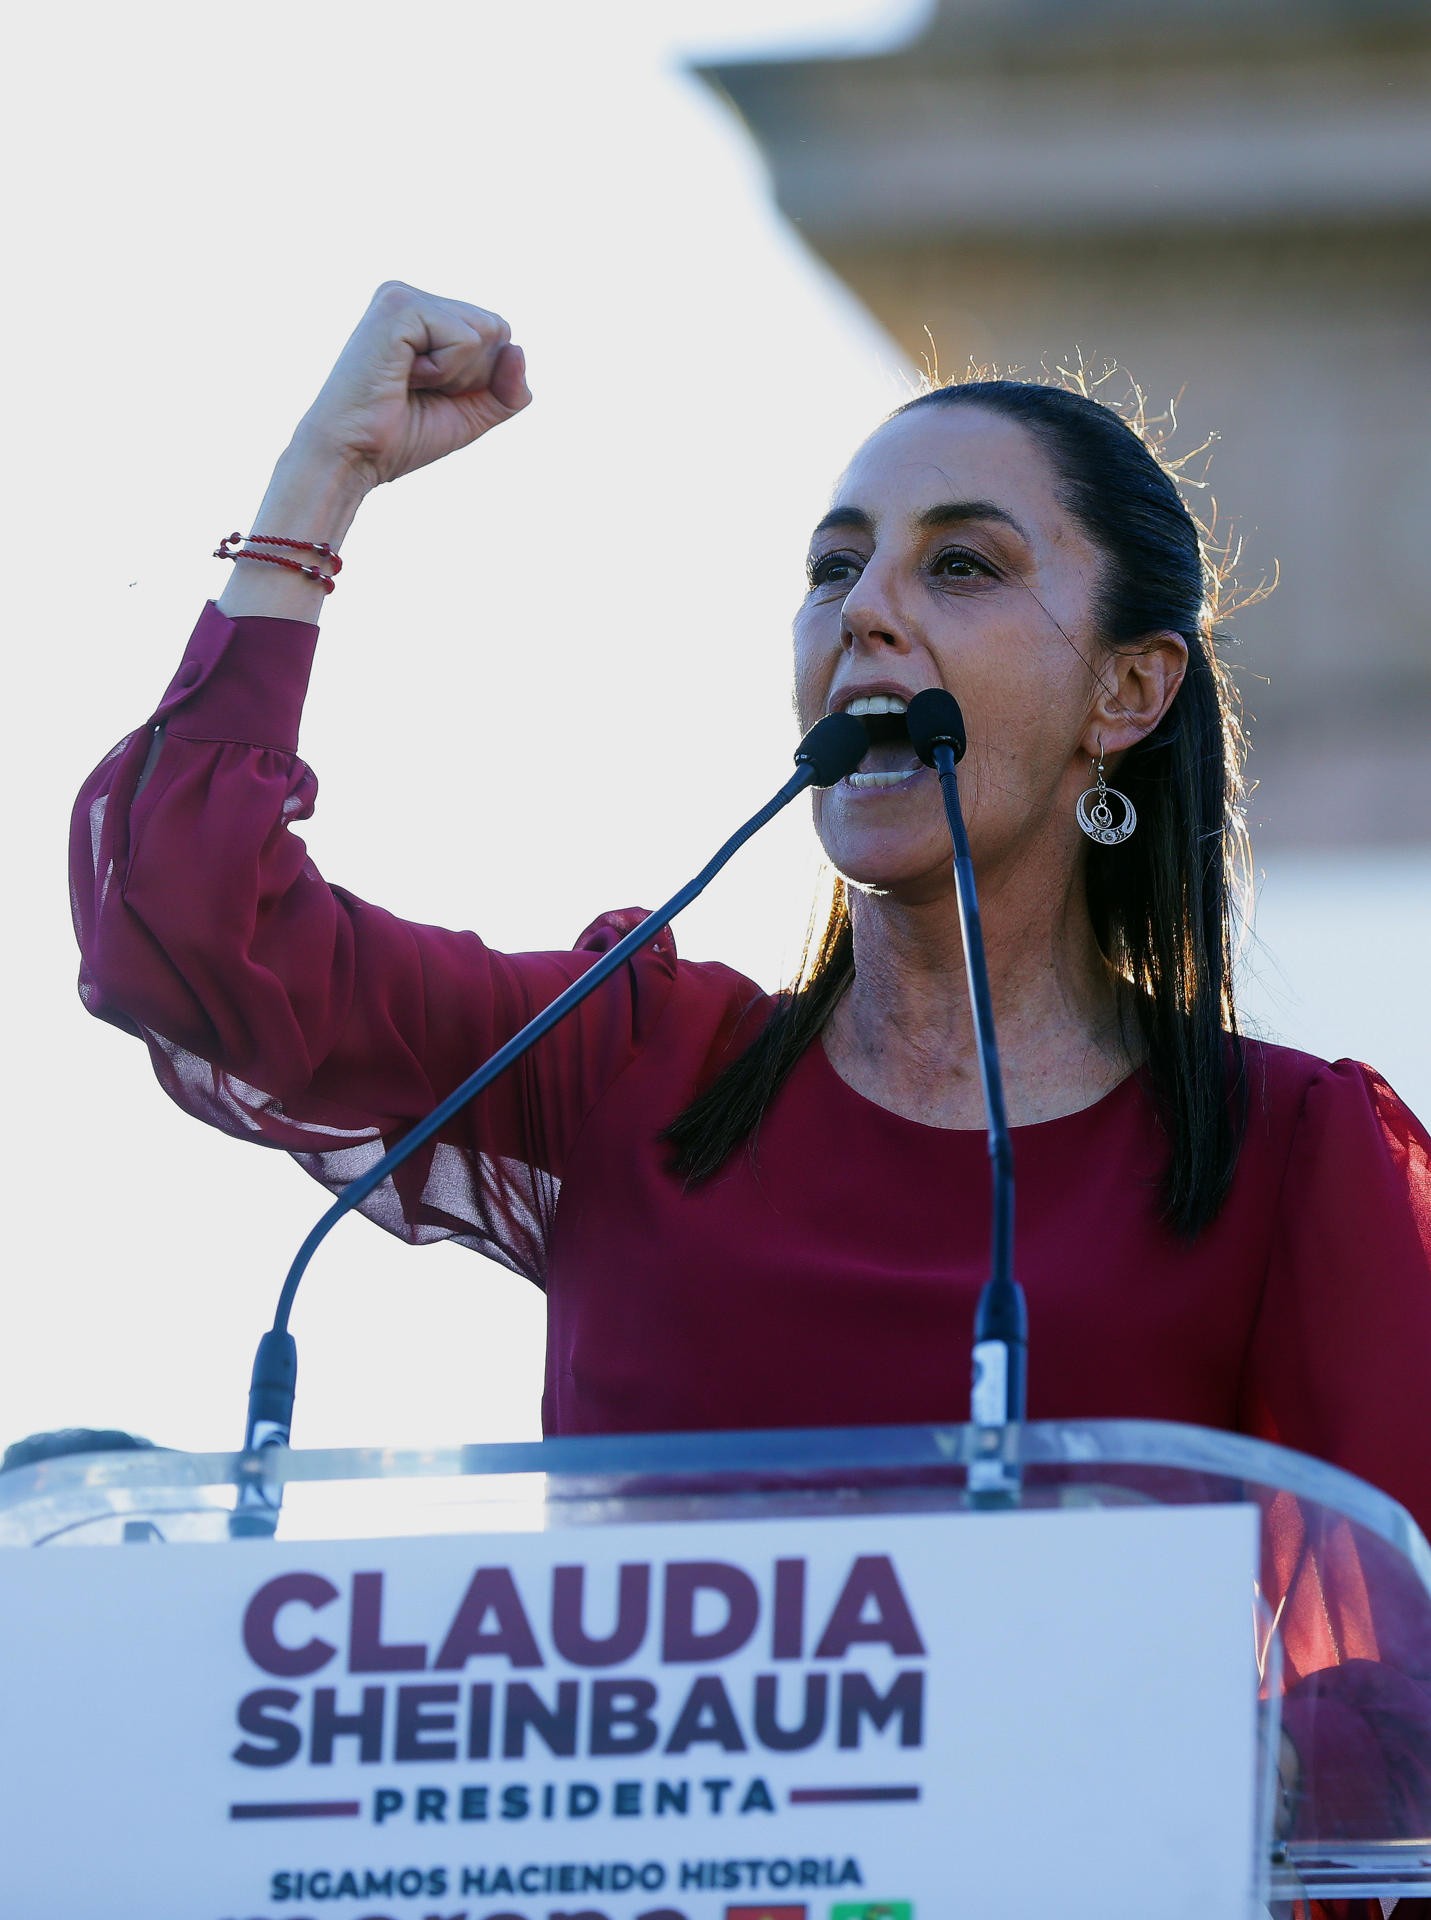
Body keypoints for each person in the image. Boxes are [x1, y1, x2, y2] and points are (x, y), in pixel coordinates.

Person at [67, 280, 1431, 1892]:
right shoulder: (627, 1058)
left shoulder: (1287, 1153)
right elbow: (180, 923)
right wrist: (321, 478)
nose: (865, 611)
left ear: (1127, 695)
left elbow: (1400, 1704)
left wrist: (1185, 1762)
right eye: (834, 566)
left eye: (962, 566)